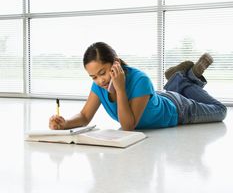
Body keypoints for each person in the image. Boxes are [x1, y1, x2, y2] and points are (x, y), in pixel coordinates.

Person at [49, 42, 227, 131]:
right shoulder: (99, 85)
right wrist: (66, 123)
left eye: (102, 73)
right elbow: (85, 115)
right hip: (157, 99)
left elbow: (128, 127)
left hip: (179, 109)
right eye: (93, 77)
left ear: (115, 63)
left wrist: (120, 88)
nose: (100, 81)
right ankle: (179, 79)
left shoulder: (140, 79)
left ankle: (187, 78)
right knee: (165, 94)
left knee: (220, 111)